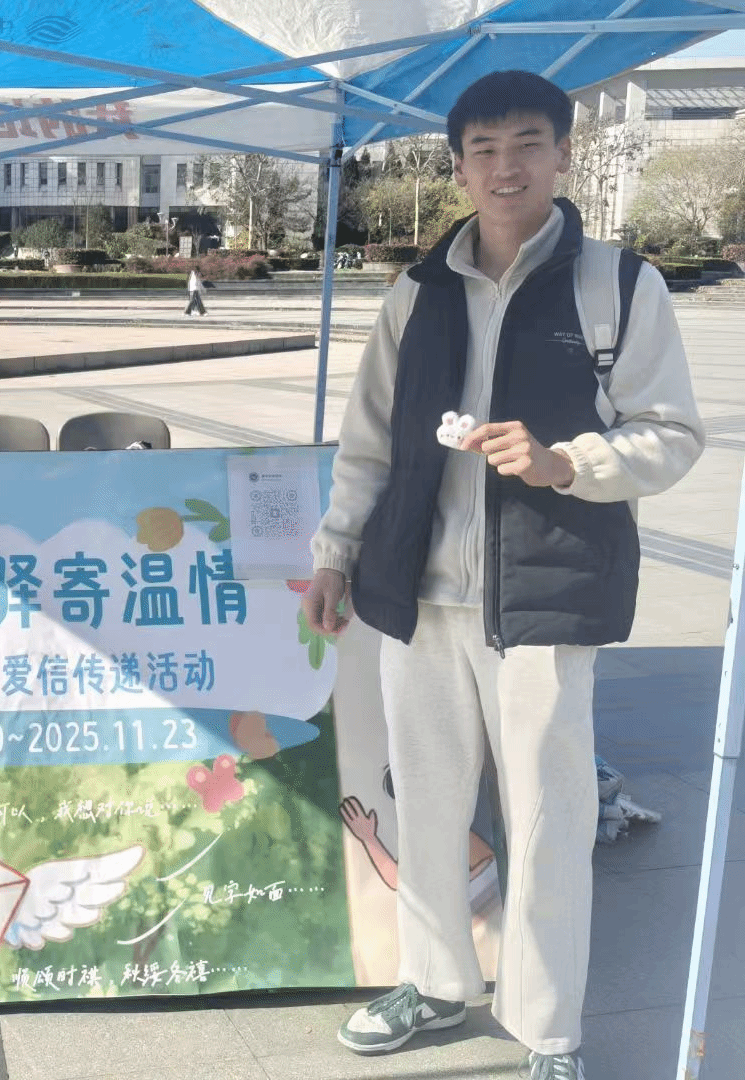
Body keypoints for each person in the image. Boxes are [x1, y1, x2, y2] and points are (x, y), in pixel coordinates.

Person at [301, 69, 704, 1080]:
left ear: (564, 154)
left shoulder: (618, 285)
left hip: (545, 601)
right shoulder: (417, 292)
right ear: (458, 167)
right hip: (419, 597)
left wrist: (570, 463)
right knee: (427, 805)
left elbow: (671, 433)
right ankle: (437, 983)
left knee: (548, 820)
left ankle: (548, 1031)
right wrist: (334, 554)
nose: (505, 166)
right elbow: (368, 443)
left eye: (527, 143)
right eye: (483, 150)